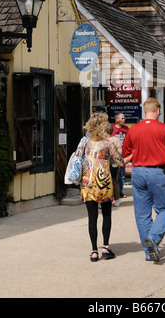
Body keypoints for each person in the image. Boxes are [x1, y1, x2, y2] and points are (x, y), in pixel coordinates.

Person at [122, 97, 165, 262]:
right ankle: (154, 239)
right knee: (163, 210)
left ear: (144, 111)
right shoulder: (164, 129)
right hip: (157, 172)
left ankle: (149, 251)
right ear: (158, 111)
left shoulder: (133, 130)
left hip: (138, 172)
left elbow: (125, 151)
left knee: (142, 214)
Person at [74, 112, 124, 262]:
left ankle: (94, 251)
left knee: (92, 217)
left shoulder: (84, 141)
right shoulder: (108, 143)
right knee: (107, 214)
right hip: (104, 183)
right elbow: (120, 162)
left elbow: (77, 157)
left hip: (88, 183)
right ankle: (105, 247)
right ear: (103, 126)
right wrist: (133, 155)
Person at [106, 123, 132, 206]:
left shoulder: (115, 139)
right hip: (105, 163)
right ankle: (107, 199)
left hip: (113, 162)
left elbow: (120, 151)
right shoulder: (103, 139)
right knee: (106, 181)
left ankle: (117, 198)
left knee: (114, 180)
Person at [112, 113, 129, 199]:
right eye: (122, 118)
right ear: (117, 120)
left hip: (123, 155)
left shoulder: (126, 129)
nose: (124, 120)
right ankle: (113, 193)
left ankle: (120, 192)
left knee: (122, 175)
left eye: (124, 118)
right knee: (114, 174)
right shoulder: (112, 128)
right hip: (113, 156)